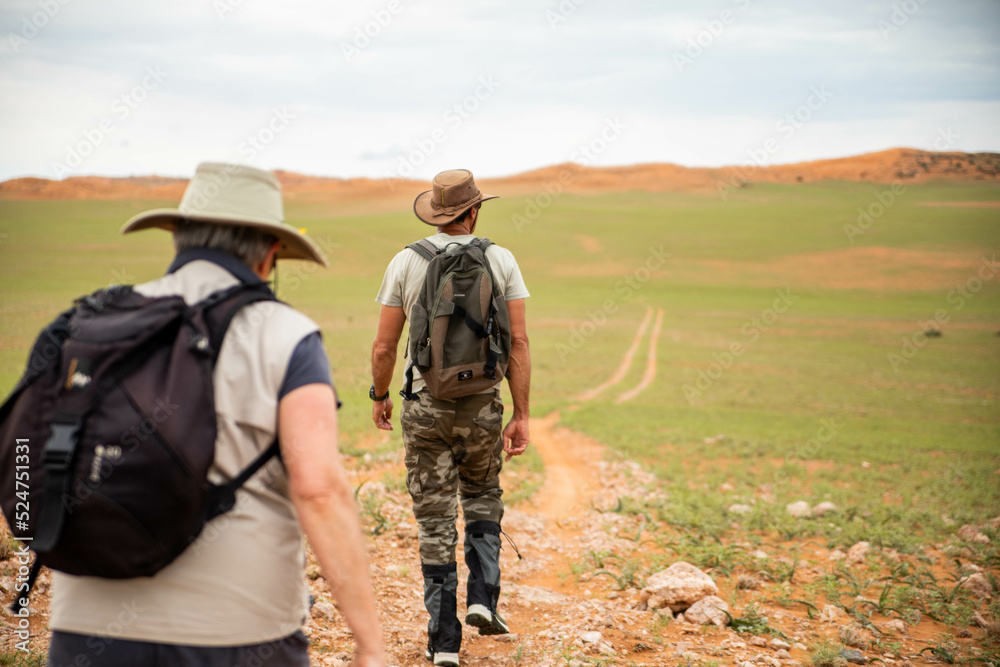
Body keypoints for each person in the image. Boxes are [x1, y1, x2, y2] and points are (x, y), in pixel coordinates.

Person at [46, 162, 386, 667]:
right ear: (270, 253)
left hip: (83, 630)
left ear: (178, 236)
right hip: (238, 634)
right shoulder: (287, 335)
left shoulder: (89, 323)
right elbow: (318, 487)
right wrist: (370, 643)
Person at [369, 169, 531, 666]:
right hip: (482, 402)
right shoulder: (500, 259)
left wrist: (379, 395)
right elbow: (519, 342)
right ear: (475, 209)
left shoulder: (405, 261)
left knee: (434, 517)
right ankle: (484, 598)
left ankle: (443, 643)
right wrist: (521, 413)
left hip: (424, 405)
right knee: (482, 494)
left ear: (437, 213)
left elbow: (383, 344)